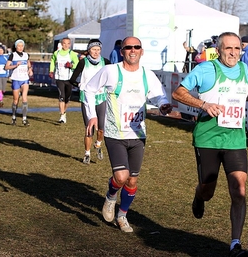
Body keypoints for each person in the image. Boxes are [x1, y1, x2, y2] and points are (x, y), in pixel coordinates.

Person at [171, 32, 248, 256]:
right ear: (219, 49)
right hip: (208, 138)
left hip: (235, 139)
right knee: (208, 191)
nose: (233, 53)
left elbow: (234, 98)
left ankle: (235, 244)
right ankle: (199, 196)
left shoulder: (243, 69)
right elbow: (178, 93)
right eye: (228, 49)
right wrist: (203, 104)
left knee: (240, 190)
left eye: (237, 48)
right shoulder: (206, 69)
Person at [83, 36, 172, 232]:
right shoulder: (111, 71)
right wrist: (92, 115)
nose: (133, 50)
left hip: (138, 134)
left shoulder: (147, 75)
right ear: (121, 51)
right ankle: (111, 196)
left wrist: (163, 105)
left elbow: (159, 95)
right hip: (115, 134)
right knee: (121, 177)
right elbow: (88, 89)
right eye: (128, 47)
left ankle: (122, 215)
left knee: (132, 180)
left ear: (142, 51)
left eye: (136, 47)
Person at [69, 39, 111, 164]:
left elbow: (112, 77)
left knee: (102, 128)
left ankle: (98, 145)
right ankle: (87, 153)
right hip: (87, 98)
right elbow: (72, 79)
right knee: (89, 129)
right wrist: (79, 84)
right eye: (93, 49)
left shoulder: (106, 62)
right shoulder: (83, 63)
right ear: (89, 50)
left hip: (101, 97)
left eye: (98, 50)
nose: (96, 52)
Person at [49, 37, 79, 123]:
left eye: (68, 44)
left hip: (69, 79)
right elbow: (52, 62)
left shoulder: (72, 53)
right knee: (61, 96)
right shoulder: (56, 53)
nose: (66, 45)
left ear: (70, 44)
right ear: (61, 44)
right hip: (59, 78)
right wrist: (51, 71)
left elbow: (77, 64)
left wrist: (71, 66)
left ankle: (64, 112)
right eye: (64, 43)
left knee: (67, 98)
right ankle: (62, 115)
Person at [4, 39, 33, 126]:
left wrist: (30, 70)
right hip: (16, 79)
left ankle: (24, 119)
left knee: (24, 98)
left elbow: (29, 64)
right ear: (16, 46)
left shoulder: (26, 55)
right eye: (18, 46)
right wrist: (15, 65)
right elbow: (6, 67)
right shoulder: (12, 55)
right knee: (16, 100)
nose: (20, 48)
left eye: (22, 46)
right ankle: (13, 117)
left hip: (25, 79)